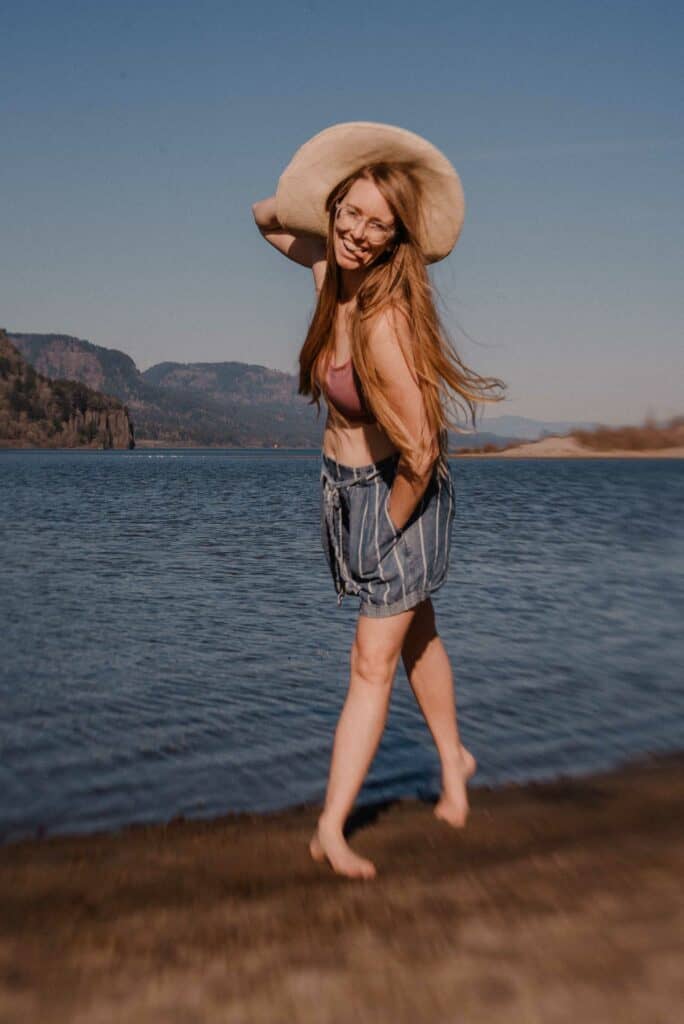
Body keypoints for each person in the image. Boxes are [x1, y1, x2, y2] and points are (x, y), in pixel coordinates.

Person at [252, 122, 505, 880]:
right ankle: (454, 761)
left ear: (399, 238)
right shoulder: (332, 272)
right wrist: (313, 194)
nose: (360, 234)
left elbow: (423, 453)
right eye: (350, 214)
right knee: (416, 634)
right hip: (345, 493)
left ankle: (332, 826)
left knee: (371, 664)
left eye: (378, 224)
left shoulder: (387, 321)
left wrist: (383, 532)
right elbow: (266, 220)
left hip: (397, 497)